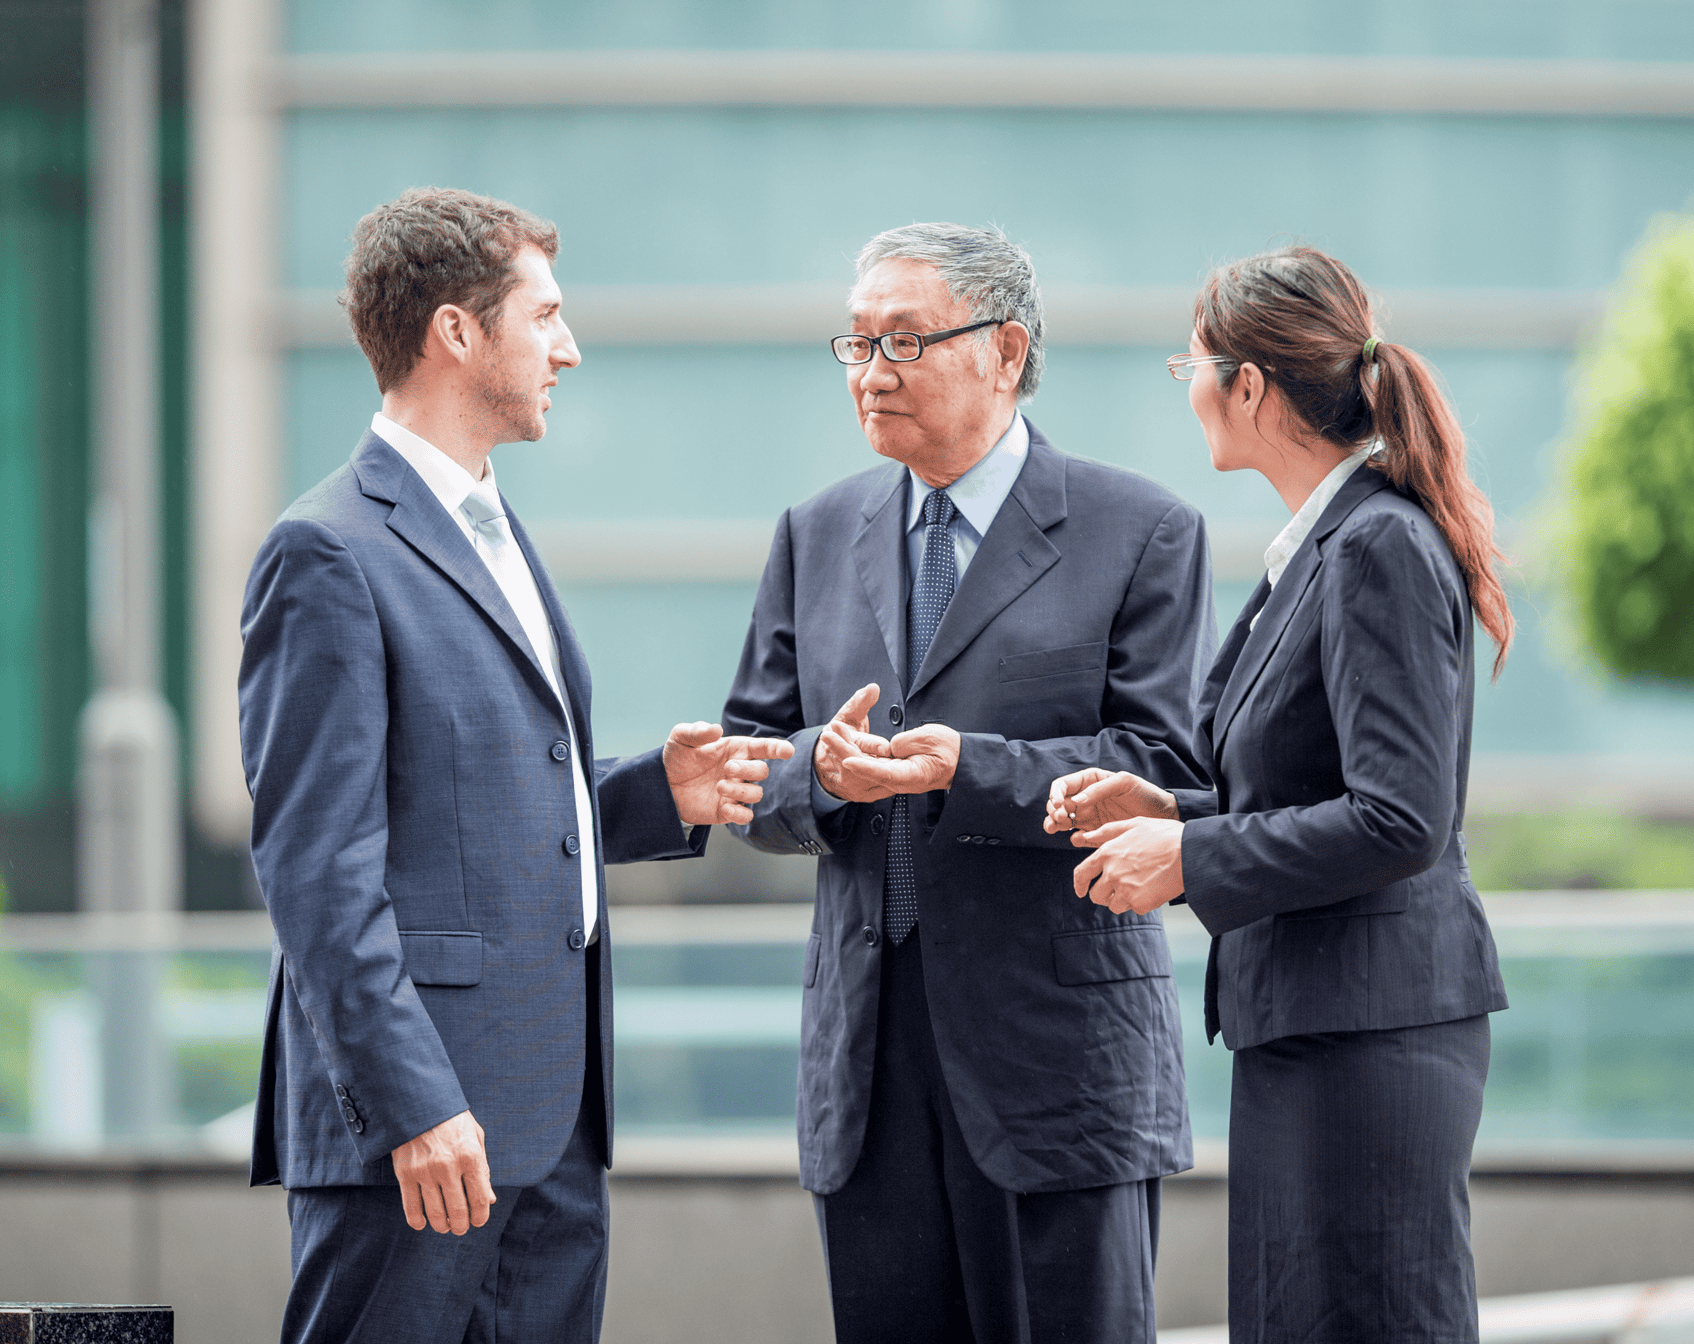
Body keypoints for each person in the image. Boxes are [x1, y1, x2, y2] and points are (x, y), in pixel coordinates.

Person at [239, 187, 792, 1344]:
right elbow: (317, 870)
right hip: (423, 1137)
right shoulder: (327, 551)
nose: (569, 348)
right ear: (456, 332)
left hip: (552, 1126)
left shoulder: (493, 530)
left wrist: (650, 798)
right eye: (544, 316)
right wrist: (415, 1107)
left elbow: (477, 803)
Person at [722, 222, 1216, 1343]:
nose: (873, 371)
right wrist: (825, 776)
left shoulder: (1139, 530)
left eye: (903, 340)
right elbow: (748, 763)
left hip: (1056, 1065)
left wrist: (968, 769)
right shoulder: (816, 532)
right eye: (855, 345)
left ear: (1003, 349)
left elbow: (1166, 769)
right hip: (868, 1064)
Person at [1048, 245, 1512, 1343]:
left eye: (1192, 366)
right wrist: (1171, 816)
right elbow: (1314, 787)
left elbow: (1401, 818)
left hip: (1370, 1036)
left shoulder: (1374, 547)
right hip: (1317, 1027)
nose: (1189, 388)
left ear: (1248, 385)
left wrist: (1189, 862)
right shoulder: (1319, 549)